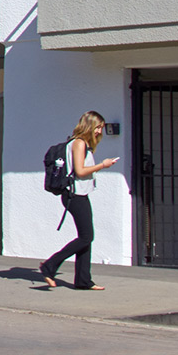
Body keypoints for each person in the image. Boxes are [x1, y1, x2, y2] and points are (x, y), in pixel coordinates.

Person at [39, 111, 120, 292]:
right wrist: (103, 165)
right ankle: (50, 266)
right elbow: (80, 171)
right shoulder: (79, 143)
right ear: (90, 126)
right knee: (86, 237)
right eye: (98, 127)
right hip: (74, 196)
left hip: (80, 195)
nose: (100, 132)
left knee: (86, 238)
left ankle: (83, 280)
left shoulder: (81, 144)